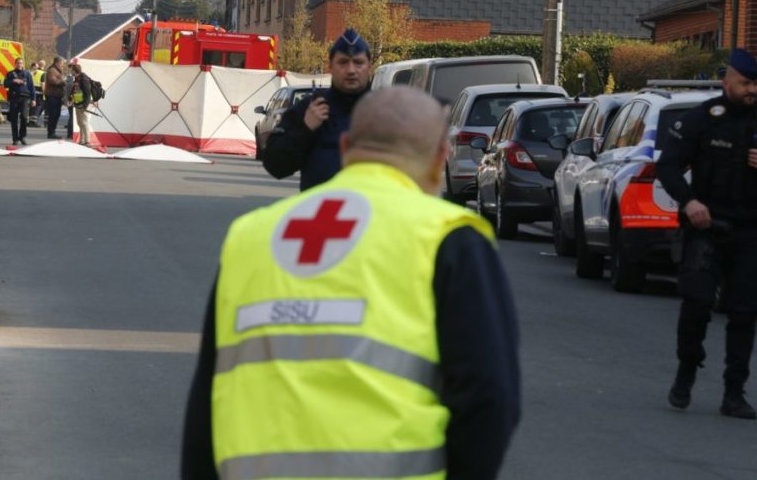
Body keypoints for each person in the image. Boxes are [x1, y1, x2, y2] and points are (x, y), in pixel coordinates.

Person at [182, 86, 521, 480]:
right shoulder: (449, 239)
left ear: (345, 148)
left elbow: (206, 403)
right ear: (439, 158)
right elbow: (488, 397)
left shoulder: (252, 237)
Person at [657, 48, 757, 420]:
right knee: (696, 304)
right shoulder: (703, 119)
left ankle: (734, 392)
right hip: (706, 226)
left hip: (752, 229)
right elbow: (667, 166)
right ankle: (686, 369)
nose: (753, 89)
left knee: (744, 312)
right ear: (727, 81)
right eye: (746, 83)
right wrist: (689, 201)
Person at [263, 28, 373, 190]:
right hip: (322, 212)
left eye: (358, 62)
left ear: (369, 66)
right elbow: (276, 166)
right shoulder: (310, 108)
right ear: (330, 67)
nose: (351, 70)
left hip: (373, 212)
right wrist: (305, 129)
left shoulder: (386, 111)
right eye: (343, 62)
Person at [68, 60, 93, 146]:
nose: (70, 71)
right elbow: (74, 90)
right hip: (78, 103)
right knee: (79, 123)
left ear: (75, 70)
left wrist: (85, 106)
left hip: (83, 104)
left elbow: (87, 94)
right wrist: (70, 98)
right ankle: (82, 140)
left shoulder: (84, 79)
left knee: (84, 122)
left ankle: (87, 140)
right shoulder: (77, 78)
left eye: (71, 70)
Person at [44, 56, 66, 139]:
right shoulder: (52, 70)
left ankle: (53, 131)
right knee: (53, 114)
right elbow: (52, 81)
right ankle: (51, 132)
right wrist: (63, 81)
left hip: (57, 95)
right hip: (52, 95)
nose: (62, 65)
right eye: (61, 64)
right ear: (57, 63)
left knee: (56, 114)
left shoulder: (57, 70)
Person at [30, 59, 46, 127]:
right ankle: (34, 122)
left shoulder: (33, 72)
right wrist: (44, 93)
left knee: (32, 107)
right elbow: (43, 84)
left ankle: (30, 121)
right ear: (44, 65)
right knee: (39, 106)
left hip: (32, 91)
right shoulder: (43, 73)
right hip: (39, 92)